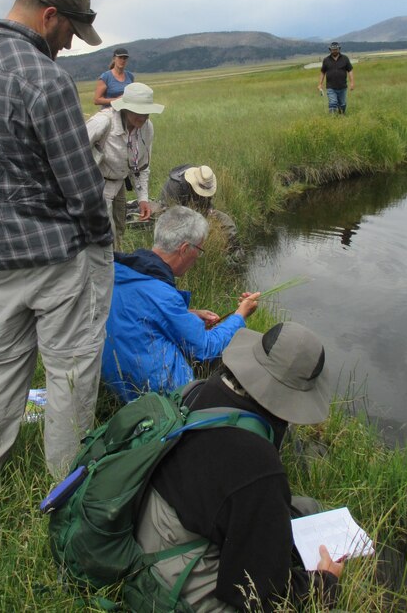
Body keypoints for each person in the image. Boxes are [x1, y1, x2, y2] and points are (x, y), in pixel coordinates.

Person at [0, 0, 114, 504]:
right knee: (69, 373)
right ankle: (66, 493)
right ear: (49, 16)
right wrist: (99, 240)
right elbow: (82, 187)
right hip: (54, 259)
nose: (65, 48)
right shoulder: (44, 79)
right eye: (68, 35)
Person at [135, 321, 342, 611]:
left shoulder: (200, 390)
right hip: (166, 569)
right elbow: (259, 595)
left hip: (146, 522)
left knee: (306, 508)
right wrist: (324, 584)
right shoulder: (259, 468)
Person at [101, 205, 260, 402]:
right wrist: (240, 315)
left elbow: (143, 314)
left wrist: (188, 314)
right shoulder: (162, 295)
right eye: (199, 250)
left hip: (115, 383)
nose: (198, 258)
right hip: (160, 398)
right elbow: (205, 348)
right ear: (185, 249)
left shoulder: (121, 272)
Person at [86, 82, 163, 249]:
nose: (142, 117)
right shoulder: (103, 122)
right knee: (103, 235)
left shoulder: (147, 128)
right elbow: (74, 152)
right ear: (125, 108)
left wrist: (143, 199)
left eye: (146, 112)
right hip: (96, 185)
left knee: (119, 230)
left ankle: (116, 266)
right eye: (137, 112)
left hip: (119, 183)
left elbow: (142, 167)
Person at [159, 163, 240, 253]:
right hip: (178, 217)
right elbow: (170, 215)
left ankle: (235, 251)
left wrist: (210, 209)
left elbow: (207, 203)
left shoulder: (205, 182)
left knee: (227, 222)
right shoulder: (175, 186)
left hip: (198, 212)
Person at [318, 42, 355, 114]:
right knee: (333, 103)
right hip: (330, 87)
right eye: (333, 49)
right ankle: (333, 120)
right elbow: (322, 72)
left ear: (339, 49)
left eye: (336, 49)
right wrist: (320, 84)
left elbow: (350, 71)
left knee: (342, 104)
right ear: (330, 50)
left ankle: (341, 116)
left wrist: (352, 83)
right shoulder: (326, 60)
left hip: (342, 86)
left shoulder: (345, 58)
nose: (334, 51)